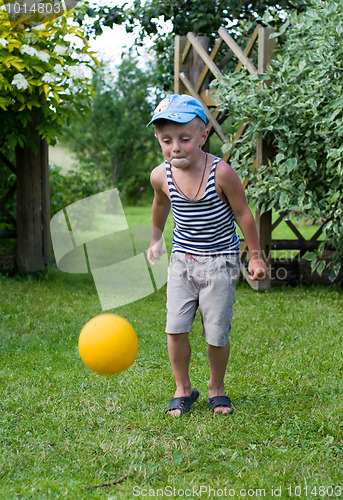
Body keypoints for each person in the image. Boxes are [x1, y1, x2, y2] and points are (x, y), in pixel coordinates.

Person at [147, 94, 268, 417]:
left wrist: (254, 257)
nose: (176, 148)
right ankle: (183, 388)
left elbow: (243, 214)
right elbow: (161, 204)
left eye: (185, 139)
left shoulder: (221, 173)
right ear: (158, 140)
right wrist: (156, 239)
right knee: (175, 327)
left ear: (203, 136)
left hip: (220, 262)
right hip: (182, 262)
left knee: (216, 332)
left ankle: (217, 388)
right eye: (167, 140)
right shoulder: (161, 175)